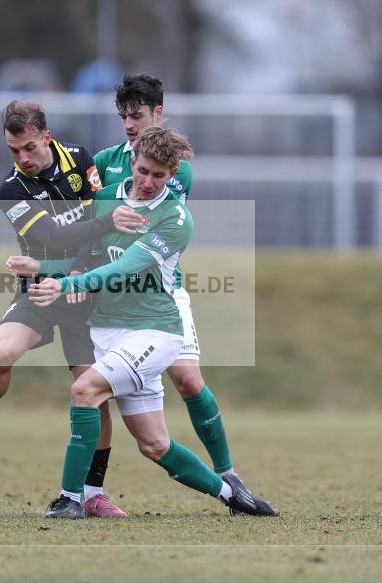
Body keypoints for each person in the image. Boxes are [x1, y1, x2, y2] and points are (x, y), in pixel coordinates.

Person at [29, 127, 275, 518]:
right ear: (132, 161)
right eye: (143, 171)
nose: (147, 183)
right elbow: (88, 254)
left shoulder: (175, 217)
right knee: (154, 444)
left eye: (159, 176)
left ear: (172, 173)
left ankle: (70, 499)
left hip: (154, 331)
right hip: (108, 330)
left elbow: (126, 267)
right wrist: (47, 269)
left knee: (84, 390)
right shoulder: (107, 198)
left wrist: (69, 286)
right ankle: (231, 496)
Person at [91, 73, 274, 516]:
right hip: (112, 301)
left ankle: (228, 475)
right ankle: (88, 490)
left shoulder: (176, 168)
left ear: (158, 114)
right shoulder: (102, 160)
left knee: (189, 380)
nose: (130, 125)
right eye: (123, 117)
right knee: (94, 394)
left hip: (160, 295)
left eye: (137, 115)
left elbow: (150, 223)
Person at [0, 100, 146, 462]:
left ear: (46, 137)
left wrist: (79, 271)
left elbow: (92, 225)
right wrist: (106, 225)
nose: (22, 157)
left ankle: (93, 494)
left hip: (81, 292)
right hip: (40, 289)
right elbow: (54, 233)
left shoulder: (80, 158)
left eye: (29, 147)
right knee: (3, 351)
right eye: (13, 150)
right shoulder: (11, 190)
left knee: (92, 395)